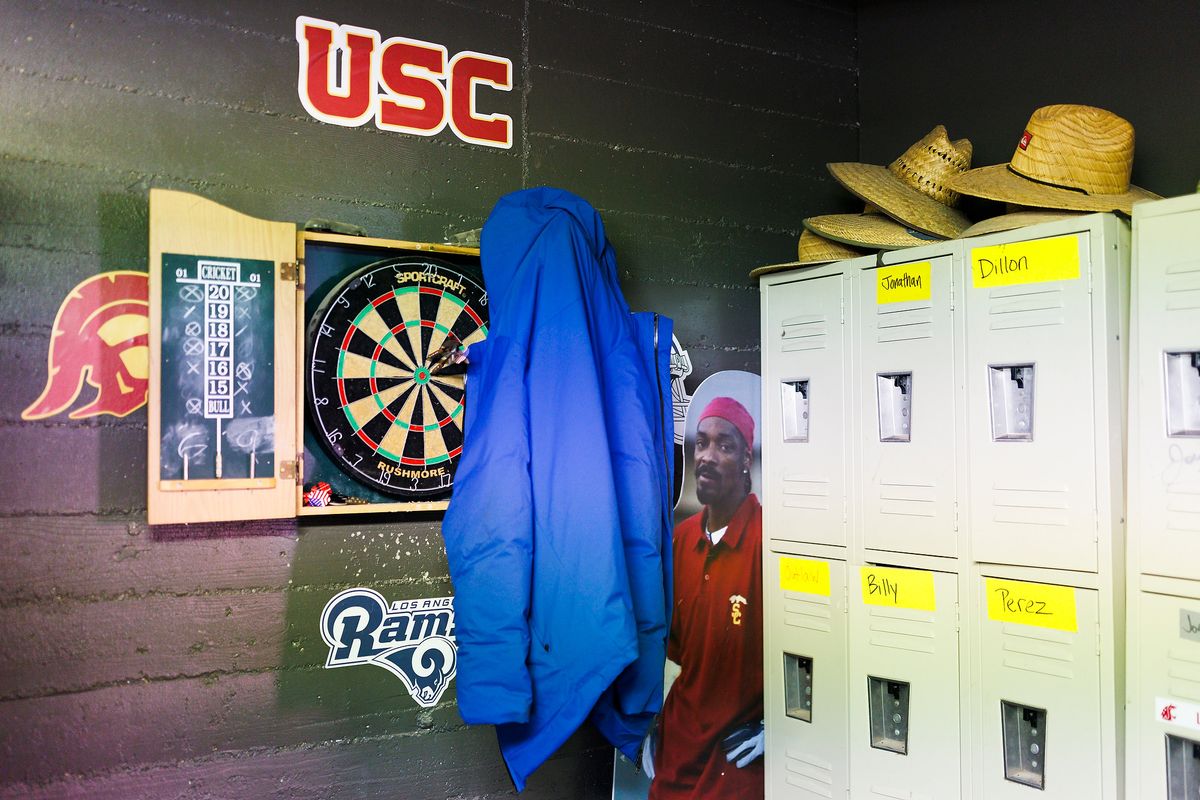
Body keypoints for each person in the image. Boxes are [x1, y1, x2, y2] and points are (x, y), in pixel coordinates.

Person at [647, 396, 764, 799]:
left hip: (736, 758)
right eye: (701, 443)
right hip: (679, 748)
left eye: (724, 446)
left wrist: (780, 727)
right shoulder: (681, 539)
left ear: (746, 459)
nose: (707, 457)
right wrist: (653, 721)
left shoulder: (768, 541)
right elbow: (671, 650)